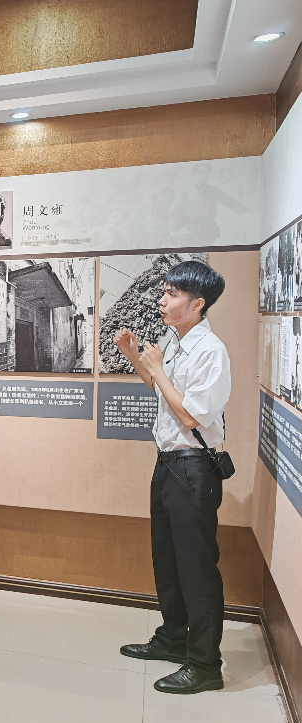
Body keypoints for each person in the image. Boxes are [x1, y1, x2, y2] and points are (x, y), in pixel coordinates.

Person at [113, 261, 230, 695]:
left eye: (172, 294)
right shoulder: (175, 341)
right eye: (163, 291)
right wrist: (134, 356)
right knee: (167, 559)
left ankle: (205, 664)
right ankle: (173, 638)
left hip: (193, 468)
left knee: (196, 566)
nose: (162, 300)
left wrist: (159, 368)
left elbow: (191, 415)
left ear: (197, 304)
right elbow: (163, 392)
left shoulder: (210, 351)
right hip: (167, 463)